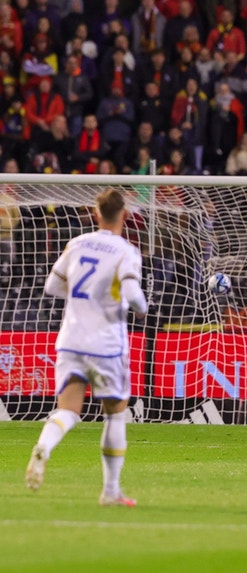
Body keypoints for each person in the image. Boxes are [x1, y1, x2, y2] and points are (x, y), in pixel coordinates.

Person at [25, 189, 148, 506]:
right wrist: (140, 306)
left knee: (67, 410)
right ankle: (111, 492)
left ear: (96, 214)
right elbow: (133, 292)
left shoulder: (77, 244)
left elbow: (52, 286)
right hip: (106, 345)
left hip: (71, 340)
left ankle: (44, 447)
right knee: (115, 417)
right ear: (124, 215)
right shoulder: (126, 251)